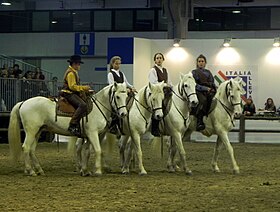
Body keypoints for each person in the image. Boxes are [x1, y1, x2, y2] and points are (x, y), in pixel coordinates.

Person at [60, 55, 91, 136]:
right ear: (74, 64)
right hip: (68, 93)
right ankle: (73, 124)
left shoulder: (74, 72)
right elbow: (72, 86)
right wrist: (84, 88)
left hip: (72, 93)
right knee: (82, 105)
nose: (79, 66)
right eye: (78, 64)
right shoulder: (70, 73)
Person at [107, 56, 135, 135]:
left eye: (119, 64)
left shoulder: (121, 73)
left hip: (122, 93)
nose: (118, 65)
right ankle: (113, 125)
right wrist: (126, 90)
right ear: (112, 64)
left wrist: (132, 87)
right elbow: (112, 85)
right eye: (116, 64)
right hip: (114, 94)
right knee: (116, 108)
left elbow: (126, 83)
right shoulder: (110, 74)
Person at [148, 52, 172, 137]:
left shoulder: (165, 70)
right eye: (157, 58)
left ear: (163, 60)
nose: (159, 59)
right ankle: (154, 128)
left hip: (165, 91)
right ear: (155, 60)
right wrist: (164, 85)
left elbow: (169, 81)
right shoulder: (153, 70)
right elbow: (153, 82)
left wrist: (171, 87)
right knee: (159, 106)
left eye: (160, 58)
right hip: (157, 92)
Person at [192, 54, 216, 131]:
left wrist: (213, 88)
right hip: (199, 91)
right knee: (203, 101)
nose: (201, 63)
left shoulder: (208, 72)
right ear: (197, 63)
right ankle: (199, 122)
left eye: (202, 61)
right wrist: (205, 88)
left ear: (205, 63)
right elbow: (194, 84)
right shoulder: (194, 72)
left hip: (209, 90)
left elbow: (212, 82)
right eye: (199, 61)